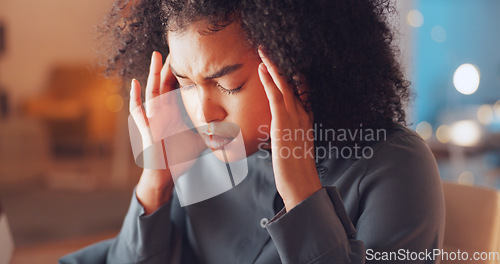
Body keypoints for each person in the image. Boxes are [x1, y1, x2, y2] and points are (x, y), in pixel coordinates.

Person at [60, 0, 445, 263]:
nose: (203, 112)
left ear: (297, 66)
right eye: (187, 83)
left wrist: (302, 195)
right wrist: (156, 182)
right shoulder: (200, 157)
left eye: (229, 85)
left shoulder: (394, 169)